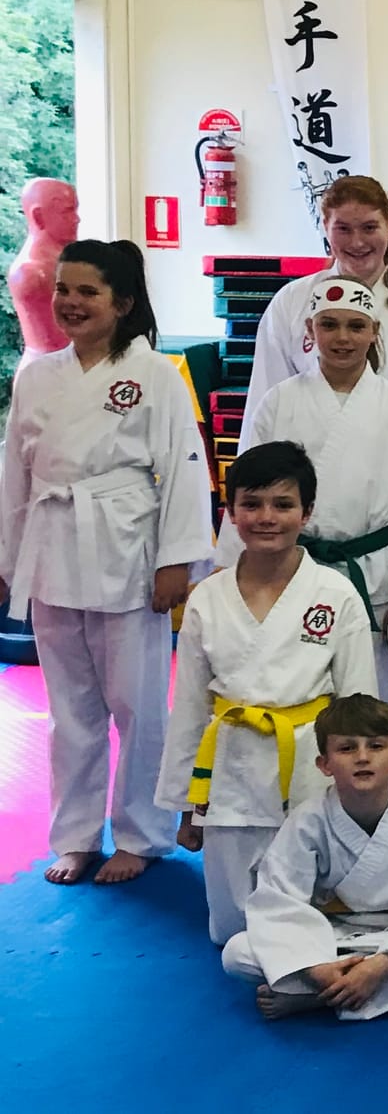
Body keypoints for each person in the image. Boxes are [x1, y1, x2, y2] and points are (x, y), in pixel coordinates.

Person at [0, 239, 212, 885]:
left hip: (126, 549)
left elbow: (183, 467)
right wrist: (7, 558)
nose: (69, 302)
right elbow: (14, 471)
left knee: (139, 704)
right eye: (64, 289)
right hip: (52, 546)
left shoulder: (155, 373)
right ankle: (75, 834)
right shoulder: (36, 373)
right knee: (70, 709)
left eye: (87, 291)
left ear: (121, 303)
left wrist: (177, 560)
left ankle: (142, 834)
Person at [156, 441, 376, 943]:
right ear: (230, 512)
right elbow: (189, 707)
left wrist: (363, 795)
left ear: (307, 512)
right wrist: (185, 804)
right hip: (228, 770)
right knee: (232, 930)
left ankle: (303, 968)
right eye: (251, 504)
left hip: (310, 774)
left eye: (283, 504)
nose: (266, 517)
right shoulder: (207, 598)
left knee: (312, 913)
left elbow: (358, 708)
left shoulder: (336, 594)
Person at [220, 277, 388, 705]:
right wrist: (231, 569)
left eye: (356, 326)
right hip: (288, 568)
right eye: (329, 325)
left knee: (368, 699)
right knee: (293, 690)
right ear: (309, 332)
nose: (342, 338)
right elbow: (245, 488)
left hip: (372, 575)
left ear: (374, 332)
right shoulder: (279, 402)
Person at [219, 695, 388, 1021]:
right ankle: (358, 990)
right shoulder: (308, 821)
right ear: (324, 764)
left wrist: (382, 965)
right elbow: (278, 902)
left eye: (376, 746)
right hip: (330, 938)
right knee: (236, 952)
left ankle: (318, 1000)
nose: (362, 758)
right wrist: (318, 969)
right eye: (347, 749)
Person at [244, 176, 388, 421]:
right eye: (343, 229)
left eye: (369, 228)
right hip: (303, 456)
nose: (357, 242)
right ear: (326, 225)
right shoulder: (292, 302)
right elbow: (264, 404)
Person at [9, 176, 80, 355]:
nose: (76, 219)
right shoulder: (31, 272)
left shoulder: (67, 263)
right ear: (38, 216)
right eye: (67, 211)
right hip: (48, 373)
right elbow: (60, 342)